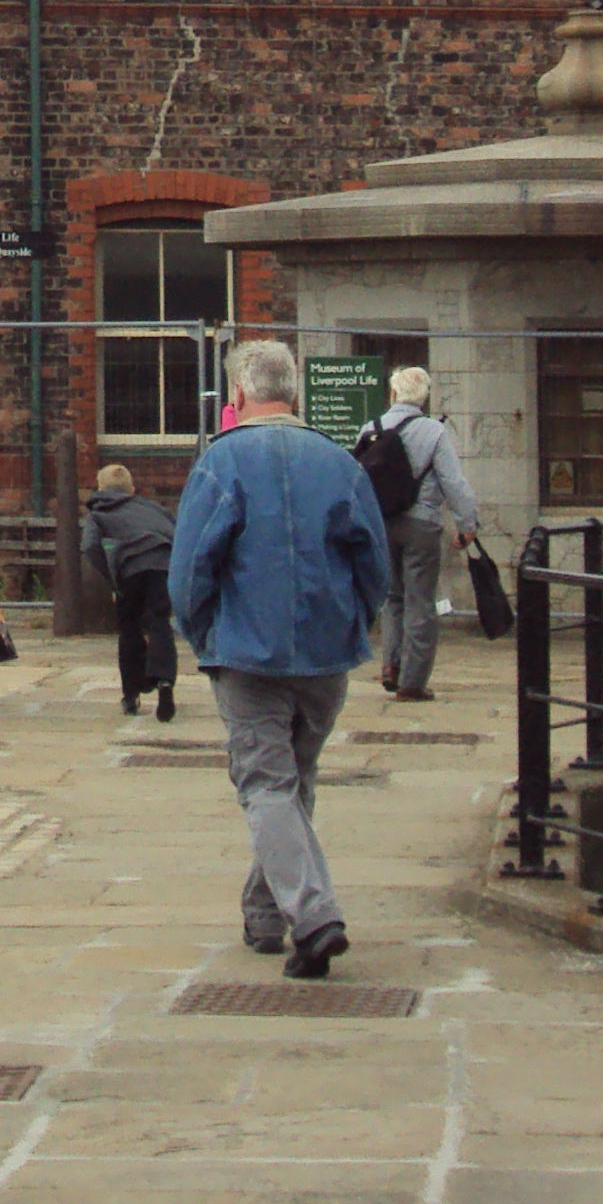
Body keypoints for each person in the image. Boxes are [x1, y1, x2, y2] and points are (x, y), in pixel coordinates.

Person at [167, 338, 388, 979]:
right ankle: (266, 914)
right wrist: (354, 621)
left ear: (237, 393)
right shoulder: (340, 462)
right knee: (294, 781)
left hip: (247, 651)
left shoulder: (222, 461)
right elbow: (374, 564)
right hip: (325, 651)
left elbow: (189, 571)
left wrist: (204, 635)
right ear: (295, 392)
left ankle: (314, 918)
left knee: (266, 786)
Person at [357, 367, 477, 702]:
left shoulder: (370, 429)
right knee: (420, 600)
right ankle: (412, 681)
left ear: (393, 393)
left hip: (381, 522)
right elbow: (453, 482)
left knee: (392, 597)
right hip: (422, 523)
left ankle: (391, 665)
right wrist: (467, 524)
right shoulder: (433, 431)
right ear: (424, 398)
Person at [82, 461, 176, 720]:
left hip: (129, 569)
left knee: (129, 627)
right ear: (132, 489)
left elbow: (89, 546)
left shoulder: (98, 513)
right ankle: (165, 681)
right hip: (162, 565)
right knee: (160, 623)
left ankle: (131, 695)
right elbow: (176, 532)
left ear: (100, 488)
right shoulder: (154, 509)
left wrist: (112, 579)